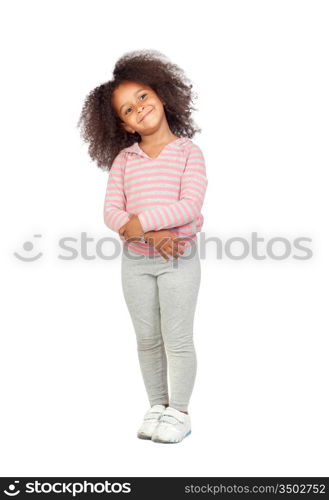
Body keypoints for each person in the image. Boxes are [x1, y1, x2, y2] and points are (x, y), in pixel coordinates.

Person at [77, 49, 208, 444]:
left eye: (143, 98)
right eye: (128, 110)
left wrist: (139, 224)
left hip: (178, 260)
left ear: (162, 95)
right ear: (124, 125)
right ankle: (157, 407)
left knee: (177, 337)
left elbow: (190, 206)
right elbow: (111, 213)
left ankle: (179, 412)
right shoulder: (124, 161)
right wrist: (148, 235)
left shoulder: (189, 153)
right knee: (147, 338)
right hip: (136, 262)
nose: (139, 110)